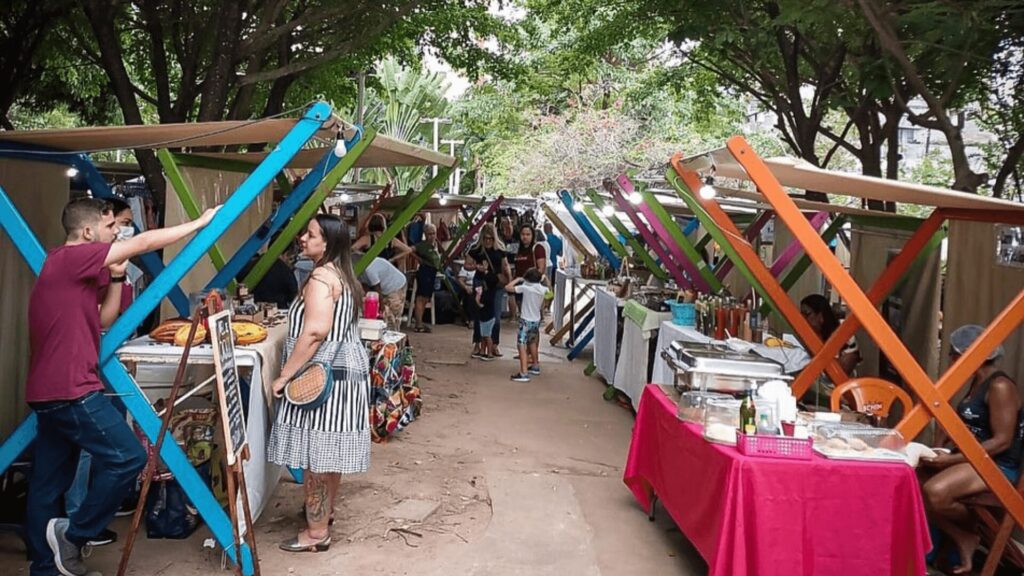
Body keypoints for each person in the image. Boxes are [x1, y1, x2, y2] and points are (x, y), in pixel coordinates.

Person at [26, 198, 219, 576]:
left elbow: (104, 319)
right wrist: (198, 223)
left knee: (47, 485)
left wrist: (116, 277)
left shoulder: (70, 268)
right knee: (128, 457)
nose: (117, 234)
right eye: (111, 226)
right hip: (71, 389)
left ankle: (46, 568)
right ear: (88, 232)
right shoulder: (70, 258)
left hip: (50, 389)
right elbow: (144, 243)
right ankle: (74, 534)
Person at [268, 214, 370, 553]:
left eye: (310, 234)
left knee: (317, 457)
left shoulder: (321, 278)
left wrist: (285, 375)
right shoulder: (341, 274)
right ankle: (322, 517)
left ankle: (315, 533)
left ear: (327, 242)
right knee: (329, 456)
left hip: (323, 376)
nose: (302, 238)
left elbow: (315, 331)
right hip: (343, 373)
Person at [921, 324, 1024, 574]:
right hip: (973, 459)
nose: (951, 359)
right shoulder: (975, 383)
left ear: (968, 354)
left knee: (934, 492)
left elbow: (1002, 441)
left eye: (954, 354)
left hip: (998, 465)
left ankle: (968, 535)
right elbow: (959, 423)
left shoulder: (999, 386)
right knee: (913, 480)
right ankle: (958, 537)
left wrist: (947, 461)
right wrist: (937, 449)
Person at [471, 223, 512, 356]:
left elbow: (506, 267)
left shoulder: (499, 251)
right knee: (479, 315)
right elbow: (467, 265)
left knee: (496, 316)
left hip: (496, 285)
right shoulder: (476, 250)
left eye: (490, 238)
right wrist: (477, 267)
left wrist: (509, 282)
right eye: (486, 238)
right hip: (480, 284)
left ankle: (494, 344)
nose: (488, 241)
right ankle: (478, 344)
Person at [800, 294, 861, 375]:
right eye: (801, 315)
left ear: (821, 315)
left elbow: (843, 370)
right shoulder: (805, 337)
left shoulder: (845, 338)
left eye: (807, 314)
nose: (803, 319)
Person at [237, 231, 299, 309]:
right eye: (290, 258)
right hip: (278, 311)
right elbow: (293, 295)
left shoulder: (254, 263)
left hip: (253, 309)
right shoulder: (285, 271)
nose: (290, 262)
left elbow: (239, 279)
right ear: (285, 254)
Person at [506, 268, 548, 382]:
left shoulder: (525, 288)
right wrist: (545, 279)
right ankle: (535, 365)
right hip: (536, 320)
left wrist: (517, 279)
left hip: (525, 320)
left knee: (521, 345)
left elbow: (508, 287)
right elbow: (550, 293)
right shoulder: (543, 289)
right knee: (532, 342)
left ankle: (523, 372)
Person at [356, 254, 407, 332]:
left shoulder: (370, 269)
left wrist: (381, 306)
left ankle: (394, 336)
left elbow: (377, 288)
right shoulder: (358, 270)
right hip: (384, 287)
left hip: (396, 286)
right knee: (385, 316)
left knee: (393, 314)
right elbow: (364, 285)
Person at [411, 223, 441, 333]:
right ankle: (418, 324)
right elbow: (410, 250)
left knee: (426, 298)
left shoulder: (435, 245)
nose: (432, 236)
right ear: (425, 234)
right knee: (421, 298)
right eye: (429, 234)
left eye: (433, 234)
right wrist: (419, 259)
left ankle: (420, 322)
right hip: (425, 271)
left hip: (432, 272)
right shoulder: (422, 245)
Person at [470, 248, 498, 361]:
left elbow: (481, 301)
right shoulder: (485, 291)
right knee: (483, 335)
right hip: (483, 316)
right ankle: (482, 351)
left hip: (488, 316)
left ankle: (490, 353)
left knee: (487, 336)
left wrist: (486, 270)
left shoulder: (490, 294)